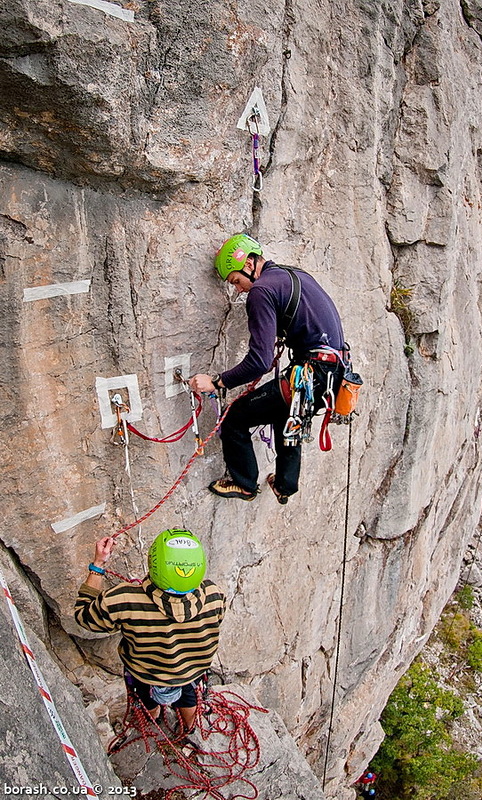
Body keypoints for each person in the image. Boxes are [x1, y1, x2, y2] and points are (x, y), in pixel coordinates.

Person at [190, 233, 345, 504]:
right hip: (333, 371)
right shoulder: (295, 275)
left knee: (235, 417)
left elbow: (259, 361)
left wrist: (216, 382)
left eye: (236, 281)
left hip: (311, 372)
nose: (238, 289)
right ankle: (284, 485)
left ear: (249, 264)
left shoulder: (261, 291)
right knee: (285, 412)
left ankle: (244, 483)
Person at [74, 528, 225, 732]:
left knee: (146, 701)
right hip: (191, 672)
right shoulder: (213, 595)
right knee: (189, 698)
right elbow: (218, 618)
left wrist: (98, 565)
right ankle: (189, 730)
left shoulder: (124, 599)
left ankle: (149, 722)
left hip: (145, 674)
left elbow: (85, 617)